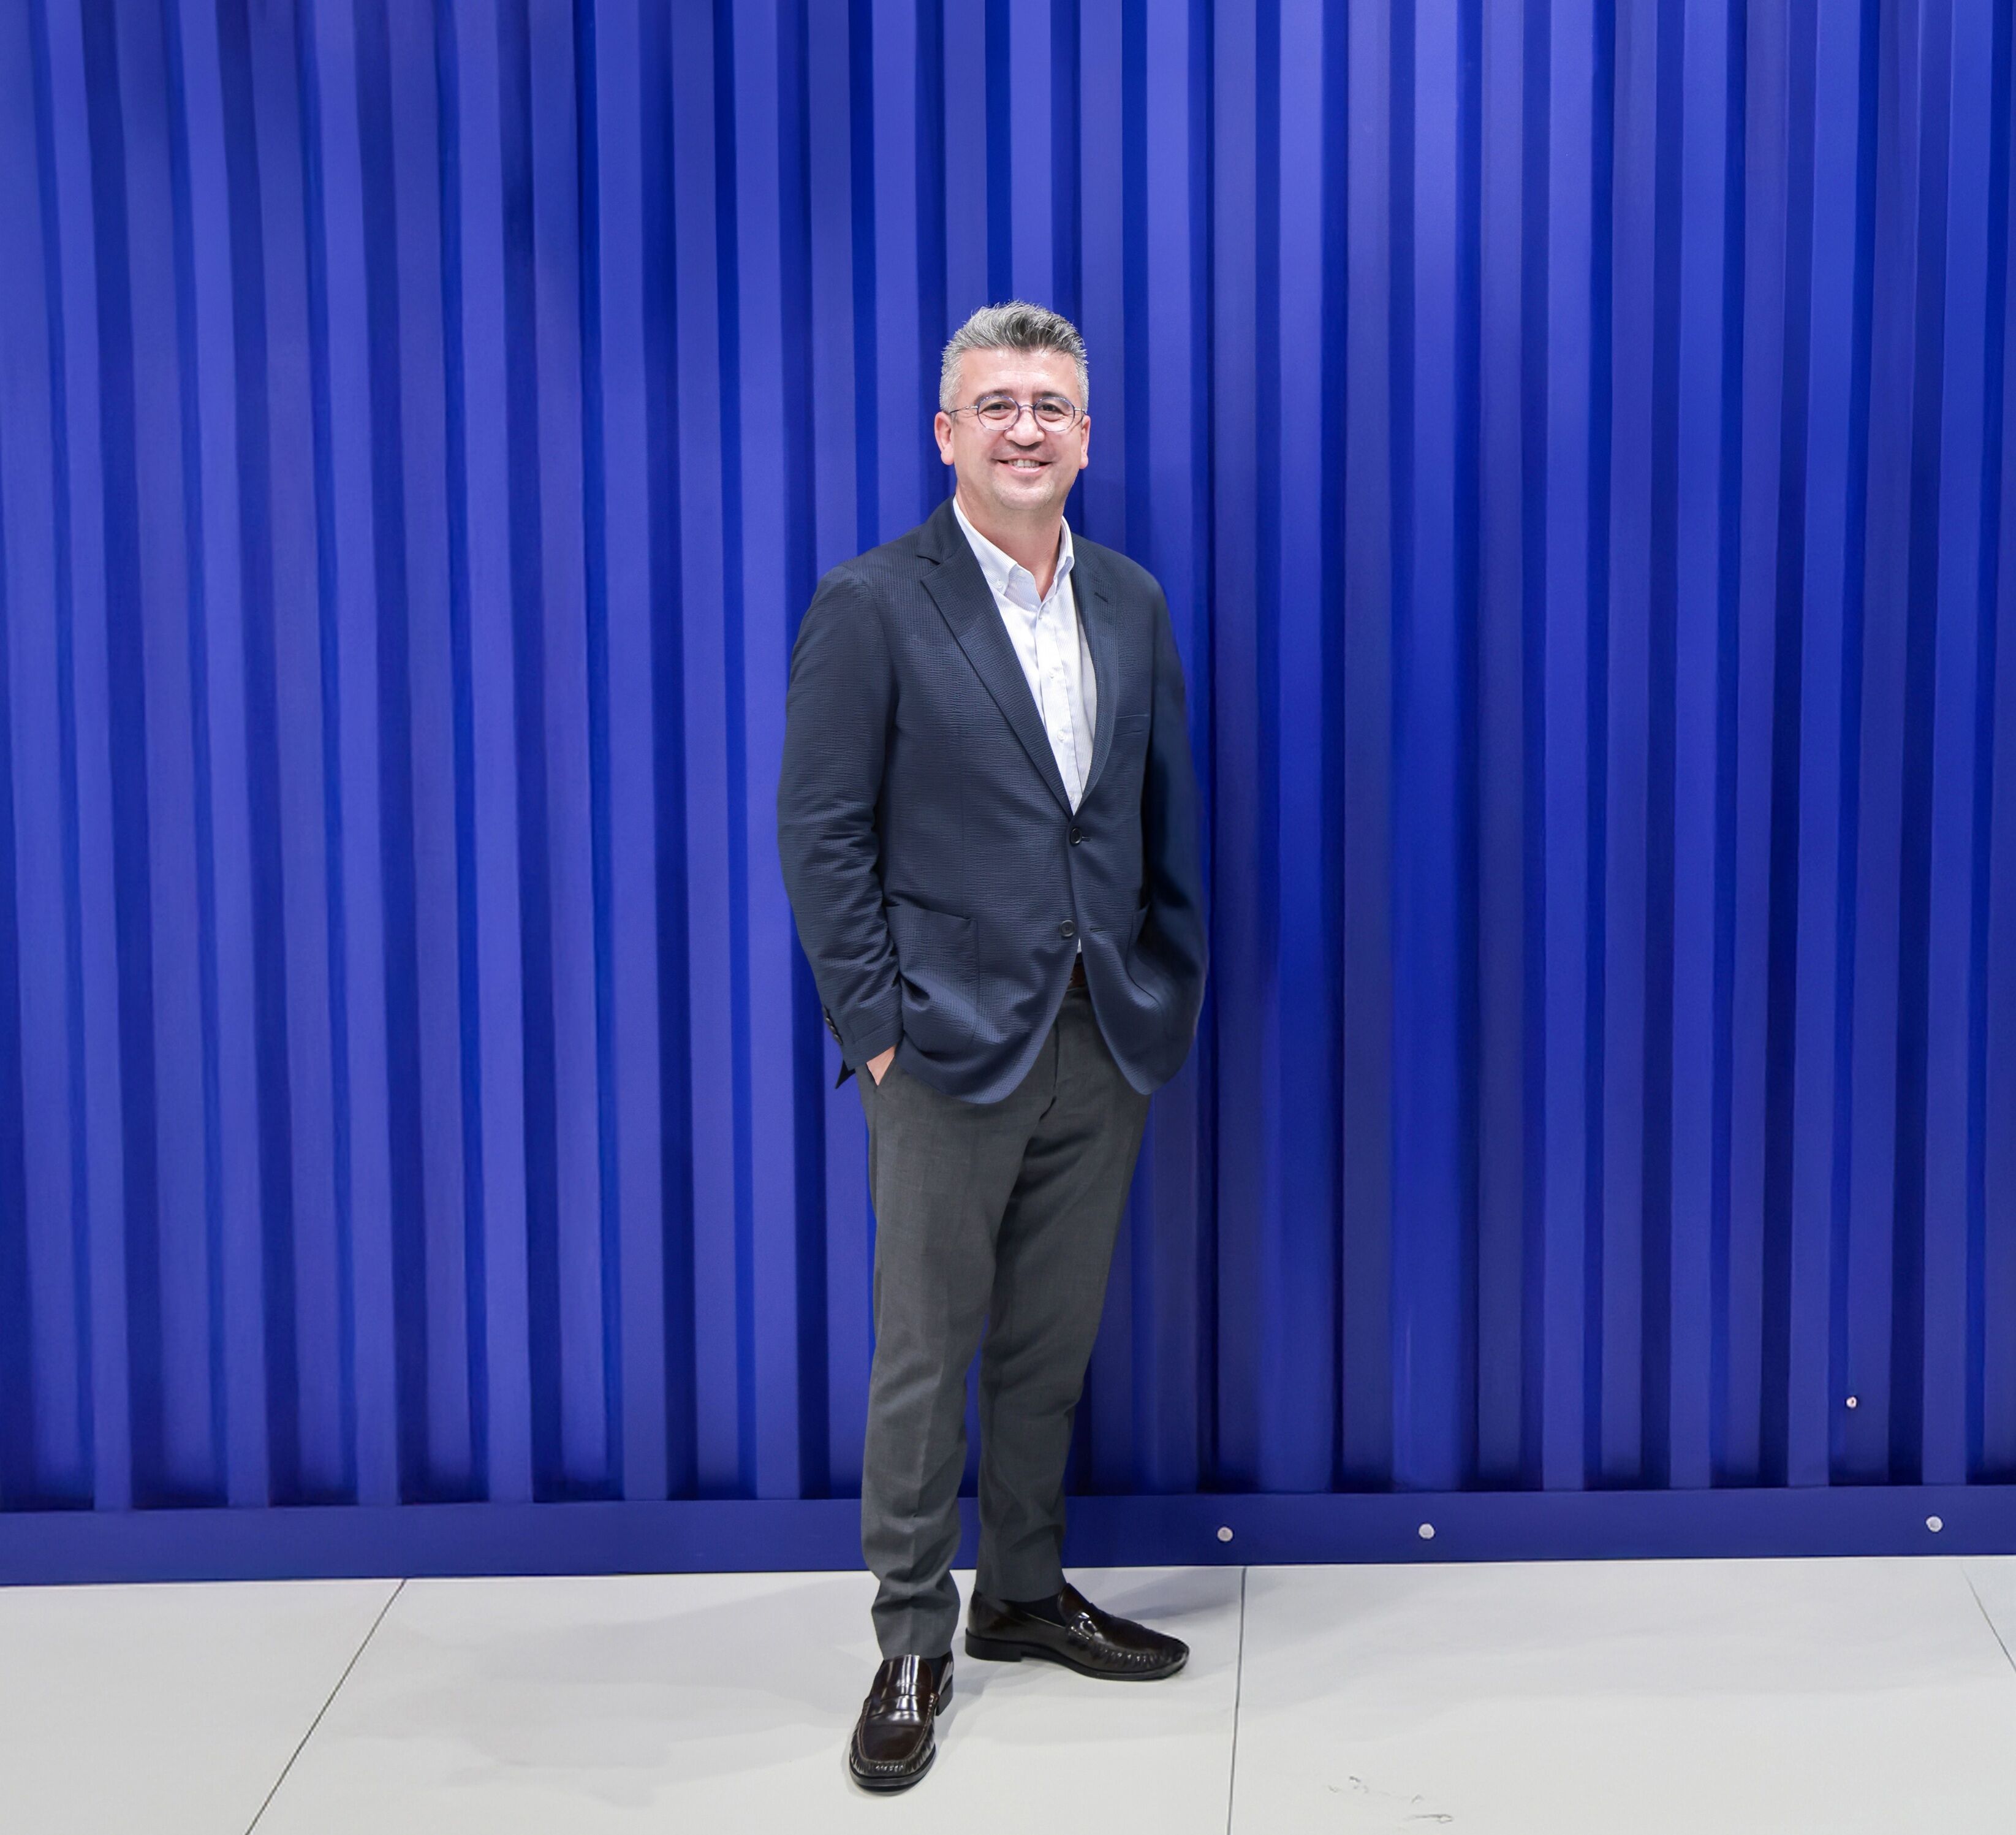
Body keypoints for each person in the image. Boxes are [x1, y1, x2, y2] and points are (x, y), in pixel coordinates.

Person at [776, 301, 1208, 1792]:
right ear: (945, 433)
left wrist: (1163, 980)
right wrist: (876, 1034)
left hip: (1103, 1034)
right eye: (997, 404)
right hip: (943, 1049)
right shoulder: (872, 603)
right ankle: (911, 1638)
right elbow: (821, 833)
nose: (1026, 428)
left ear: (1087, 439)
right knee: (924, 1350)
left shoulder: (1130, 601)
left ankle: (1022, 1592)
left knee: (1046, 1346)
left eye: (1051, 407)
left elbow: (1157, 815)